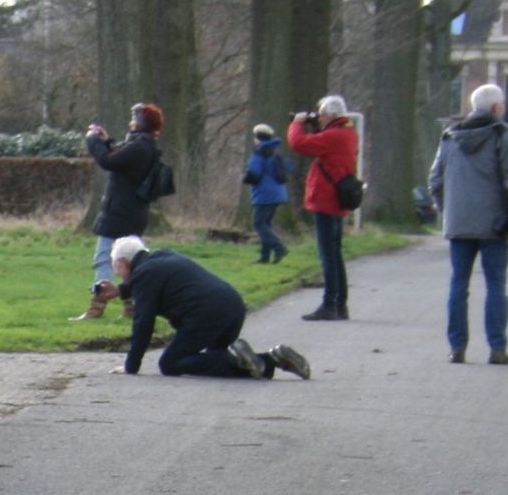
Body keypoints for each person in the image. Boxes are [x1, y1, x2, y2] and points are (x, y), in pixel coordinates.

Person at [91, 236, 310, 380]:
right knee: (215, 360)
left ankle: (241, 359)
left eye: (116, 268)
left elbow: (143, 324)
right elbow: (149, 284)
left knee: (170, 363)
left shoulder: (144, 275)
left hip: (206, 316)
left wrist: (131, 366)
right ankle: (271, 359)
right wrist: (120, 291)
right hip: (232, 306)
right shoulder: (161, 257)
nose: (117, 273)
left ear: (123, 263)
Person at [427, 83, 508, 364]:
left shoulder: (450, 136)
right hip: (494, 224)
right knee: (496, 284)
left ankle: (457, 347)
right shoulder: (503, 135)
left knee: (458, 284)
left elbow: (435, 180)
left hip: (459, 223)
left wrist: (447, 210)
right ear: (497, 108)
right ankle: (497, 348)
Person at [75, 103, 163, 319]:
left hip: (120, 213)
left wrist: (93, 141)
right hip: (132, 212)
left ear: (142, 122)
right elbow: (120, 154)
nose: (131, 121)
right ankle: (131, 308)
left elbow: (107, 161)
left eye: (135, 117)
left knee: (104, 257)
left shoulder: (139, 146)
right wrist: (107, 141)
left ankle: (97, 306)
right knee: (129, 261)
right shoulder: (145, 145)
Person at [287, 94, 359, 321]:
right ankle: (340, 304)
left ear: (331, 115)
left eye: (322, 114)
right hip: (337, 199)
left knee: (327, 254)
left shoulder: (334, 135)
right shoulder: (348, 132)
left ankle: (330, 304)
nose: (319, 118)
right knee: (335, 254)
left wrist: (297, 123)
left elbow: (299, 143)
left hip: (326, 199)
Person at [244, 125, 290, 264]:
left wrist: (244, 177)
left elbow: (254, 174)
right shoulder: (275, 151)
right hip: (278, 193)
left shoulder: (260, 152)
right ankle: (265, 257)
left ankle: (279, 247)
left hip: (265, 194)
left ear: (258, 138)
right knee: (266, 224)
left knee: (258, 223)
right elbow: (288, 167)